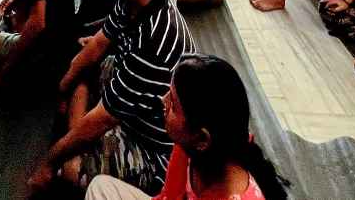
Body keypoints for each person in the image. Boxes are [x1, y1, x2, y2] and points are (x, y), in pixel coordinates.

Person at [27, 0, 196, 196]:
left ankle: (73, 151)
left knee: (69, 173)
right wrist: (62, 89)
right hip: (125, 99)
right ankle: (73, 132)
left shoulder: (156, 40)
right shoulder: (131, 2)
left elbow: (105, 117)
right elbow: (96, 46)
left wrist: (50, 162)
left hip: (149, 148)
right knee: (80, 64)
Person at [85, 54, 288, 200]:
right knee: (100, 187)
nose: (163, 101)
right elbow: (169, 195)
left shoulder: (231, 193)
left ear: (202, 139)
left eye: (173, 103)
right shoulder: (191, 147)